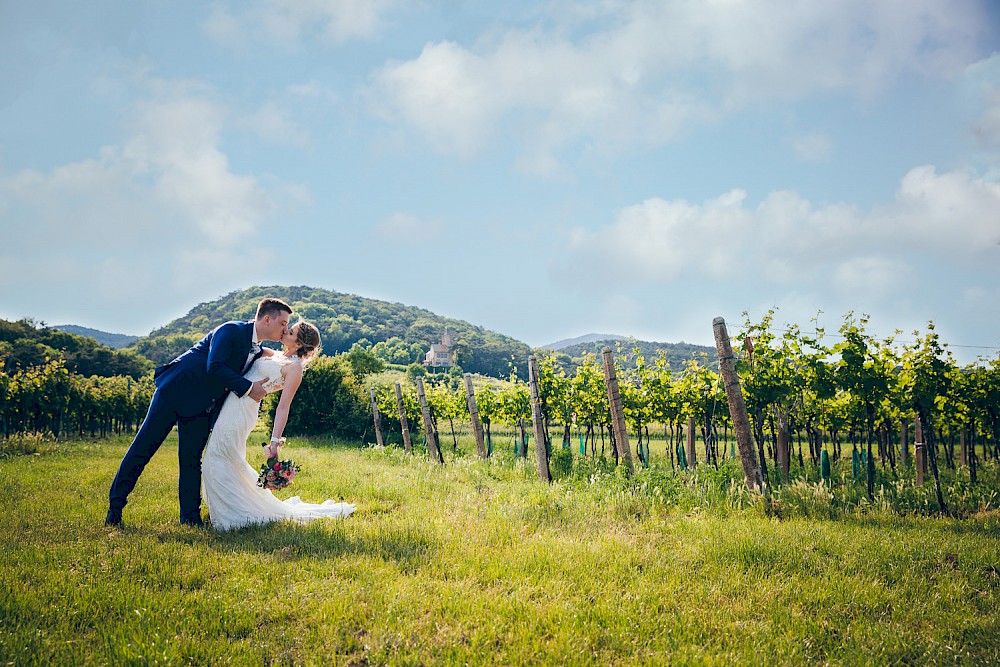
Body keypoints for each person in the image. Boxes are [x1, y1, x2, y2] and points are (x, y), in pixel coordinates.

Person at [106, 298, 292, 527]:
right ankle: (114, 510)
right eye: (283, 323)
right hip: (174, 392)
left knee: (191, 461)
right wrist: (248, 389)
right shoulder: (231, 330)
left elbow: (283, 357)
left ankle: (190, 518)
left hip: (202, 407)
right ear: (266, 318)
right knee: (143, 449)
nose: (285, 329)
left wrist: (298, 356)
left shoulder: (256, 349)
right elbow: (214, 367)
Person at [200, 320, 356, 530]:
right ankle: (231, 507)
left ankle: (234, 514)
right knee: (223, 456)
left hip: (243, 411)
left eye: (290, 332)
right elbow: (251, 345)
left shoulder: (295, 368)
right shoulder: (275, 355)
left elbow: (283, 407)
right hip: (231, 404)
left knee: (218, 456)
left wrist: (275, 442)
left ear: (299, 343)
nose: (285, 331)